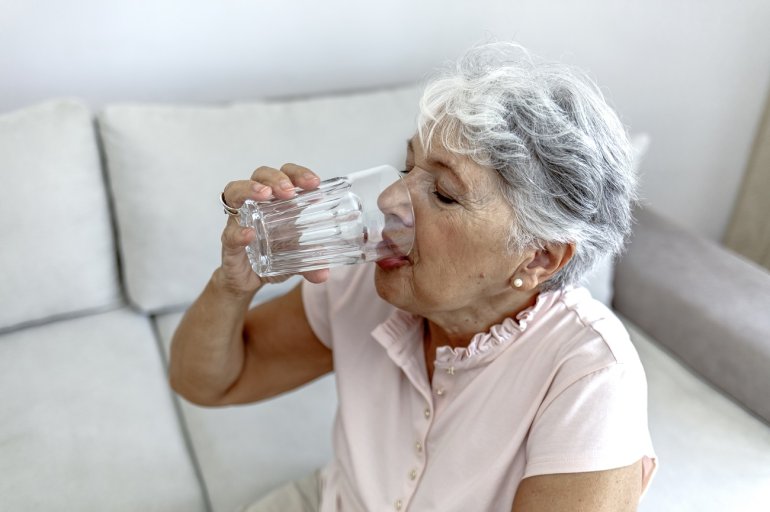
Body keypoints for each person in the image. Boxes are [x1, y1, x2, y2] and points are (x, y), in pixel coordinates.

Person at [170, 42, 657, 512]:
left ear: (538, 259)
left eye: (444, 193)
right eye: (408, 167)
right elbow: (208, 384)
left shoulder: (591, 375)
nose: (388, 200)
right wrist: (234, 284)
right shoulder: (366, 282)